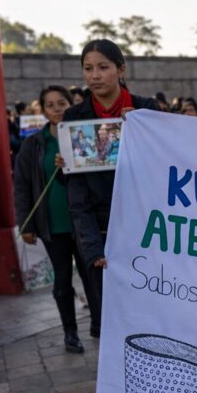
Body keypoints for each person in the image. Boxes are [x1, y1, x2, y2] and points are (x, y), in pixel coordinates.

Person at [61, 40, 160, 338]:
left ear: (120, 69)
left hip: (145, 229)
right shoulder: (73, 118)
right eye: (88, 68)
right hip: (101, 233)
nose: (95, 76)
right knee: (112, 318)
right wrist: (92, 248)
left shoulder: (146, 110)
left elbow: (164, 166)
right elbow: (75, 193)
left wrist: (141, 132)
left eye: (103, 67)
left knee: (152, 310)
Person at [14, 86, 96, 354]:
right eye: (50, 105)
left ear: (72, 104)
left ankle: (99, 323)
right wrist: (25, 223)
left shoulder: (86, 135)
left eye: (62, 103)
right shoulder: (33, 144)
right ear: (43, 110)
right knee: (62, 280)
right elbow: (23, 186)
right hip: (53, 223)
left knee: (91, 275)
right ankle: (70, 333)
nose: (57, 109)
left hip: (85, 221)